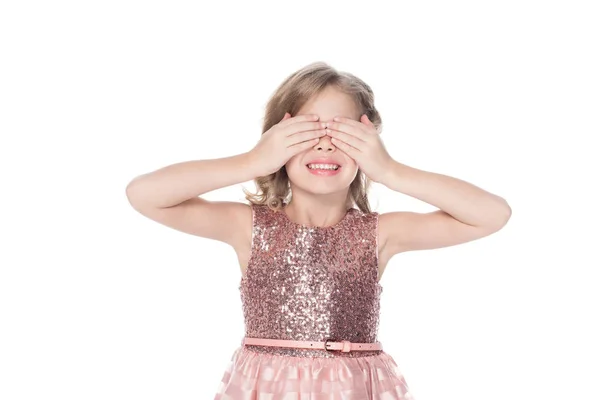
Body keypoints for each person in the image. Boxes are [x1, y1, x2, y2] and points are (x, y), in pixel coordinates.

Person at [126, 61, 511, 399]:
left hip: (355, 389)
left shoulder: (380, 234)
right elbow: (144, 194)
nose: (326, 146)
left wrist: (391, 171)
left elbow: (491, 215)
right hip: (266, 387)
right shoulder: (249, 227)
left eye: (343, 134)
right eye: (308, 133)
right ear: (277, 140)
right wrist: (252, 161)